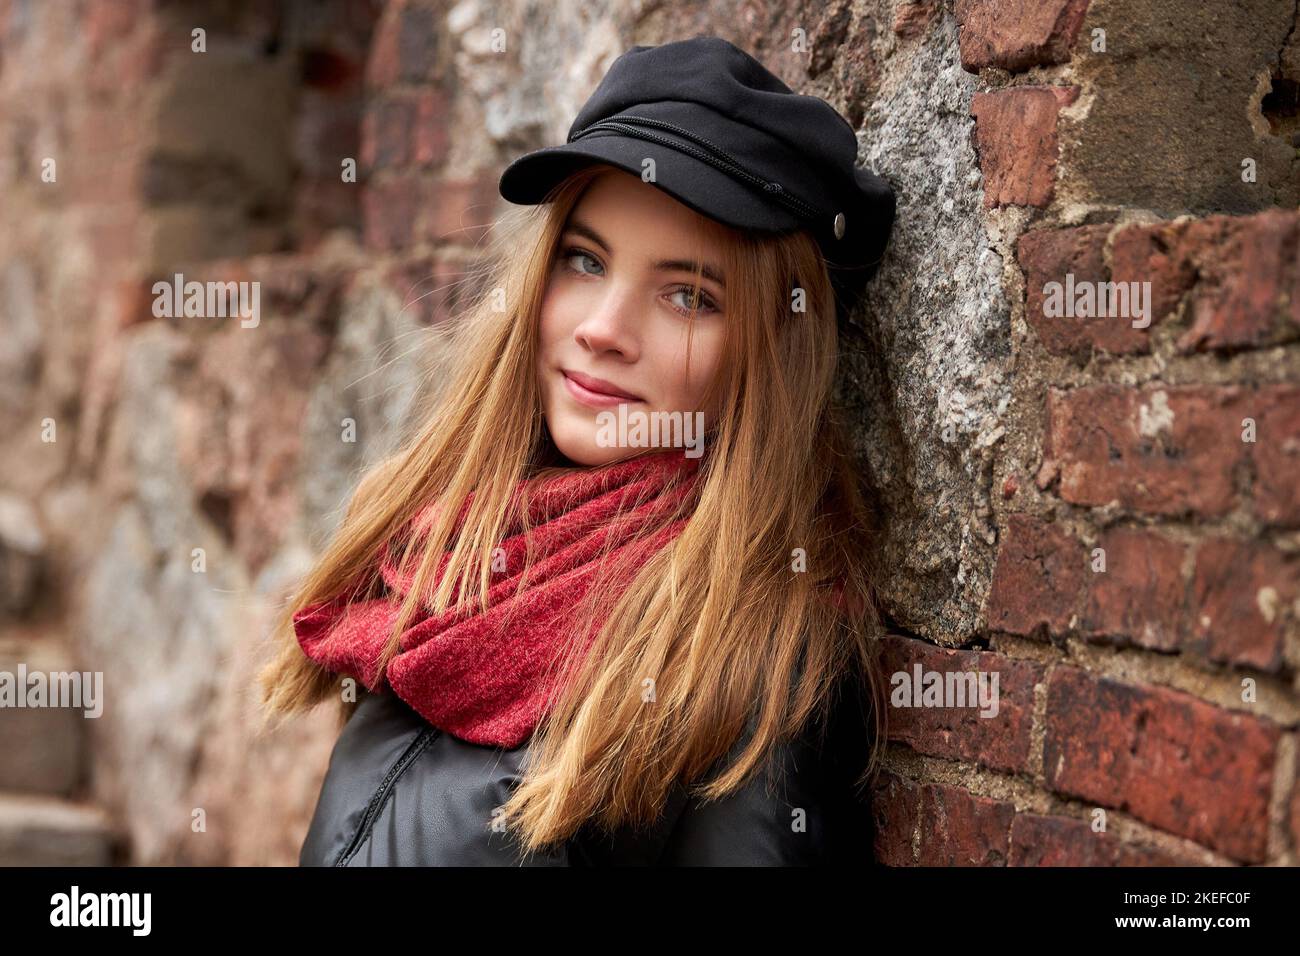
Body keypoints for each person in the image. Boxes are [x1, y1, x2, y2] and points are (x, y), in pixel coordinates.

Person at [258, 34, 897, 866]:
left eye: (687, 296)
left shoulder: (754, 663)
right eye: (585, 261)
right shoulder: (444, 549)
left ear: (773, 348)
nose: (602, 329)